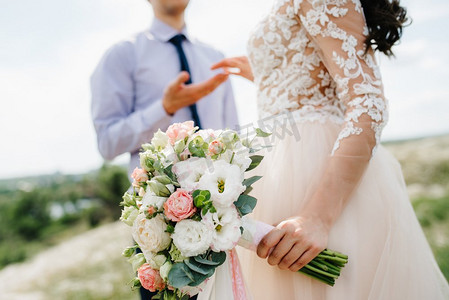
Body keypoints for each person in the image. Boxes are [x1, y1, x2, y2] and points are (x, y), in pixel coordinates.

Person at [202, 0, 449, 299]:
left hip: (314, 177)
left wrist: (317, 218)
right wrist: (271, 74)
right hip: (279, 165)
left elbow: (369, 103)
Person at [90, 0, 239, 298]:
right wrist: (164, 108)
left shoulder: (216, 58)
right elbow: (107, 143)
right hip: (163, 232)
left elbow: (235, 137)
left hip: (227, 222)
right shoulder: (123, 55)